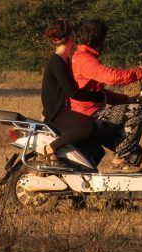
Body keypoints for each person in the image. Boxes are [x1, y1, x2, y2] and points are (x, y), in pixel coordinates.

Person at [71, 19, 142, 173]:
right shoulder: (83, 59)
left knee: (136, 153)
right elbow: (111, 77)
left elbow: (100, 93)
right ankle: (120, 157)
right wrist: (138, 73)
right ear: (99, 39)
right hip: (89, 116)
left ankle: (121, 180)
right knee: (139, 111)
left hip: (93, 114)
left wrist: (127, 100)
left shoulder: (84, 56)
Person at [38, 19, 105, 167]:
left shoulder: (65, 60)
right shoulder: (56, 62)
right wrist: (97, 96)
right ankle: (50, 148)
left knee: (97, 149)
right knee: (88, 126)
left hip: (63, 110)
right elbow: (73, 92)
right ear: (71, 37)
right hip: (55, 113)